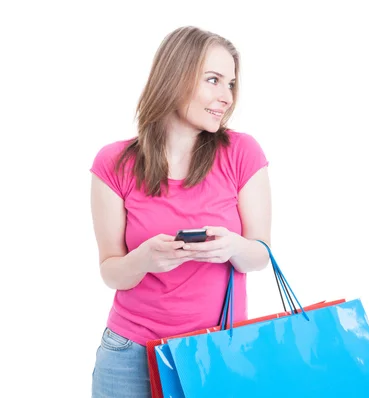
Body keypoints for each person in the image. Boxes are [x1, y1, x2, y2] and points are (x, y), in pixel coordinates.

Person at [89, 26, 271, 397]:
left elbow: (260, 255)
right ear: (175, 77)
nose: (226, 97)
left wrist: (233, 247)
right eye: (213, 80)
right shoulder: (113, 163)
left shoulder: (241, 152)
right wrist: (143, 259)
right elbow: (111, 271)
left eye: (231, 84)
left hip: (217, 353)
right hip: (130, 355)